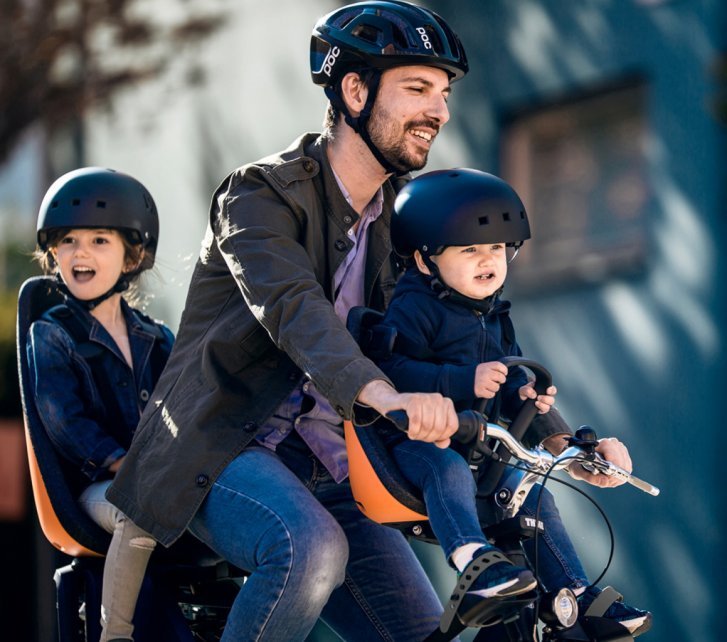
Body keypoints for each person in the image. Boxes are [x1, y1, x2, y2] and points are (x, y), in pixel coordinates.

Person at [107, 2, 471, 640]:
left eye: (443, 94)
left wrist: (548, 429)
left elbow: (447, 330)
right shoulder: (257, 195)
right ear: (354, 90)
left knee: (424, 629)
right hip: (221, 445)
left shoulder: (404, 221)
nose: (437, 111)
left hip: (331, 462)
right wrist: (380, 394)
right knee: (310, 549)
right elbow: (292, 308)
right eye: (417, 89)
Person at [373, 167, 652, 637]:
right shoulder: (413, 307)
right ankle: (474, 564)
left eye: (498, 249)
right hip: (412, 445)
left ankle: (578, 596)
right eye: (470, 250)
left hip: (479, 445)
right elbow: (392, 373)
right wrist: (465, 380)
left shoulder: (493, 313)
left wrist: (525, 395)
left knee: (532, 491)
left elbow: (506, 377)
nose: (489, 261)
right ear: (424, 261)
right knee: (448, 470)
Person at [27, 167, 174, 642]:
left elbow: (185, 405)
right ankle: (115, 635)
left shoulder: (156, 336)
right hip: (98, 488)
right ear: (53, 252)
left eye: (99, 241)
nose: (80, 252)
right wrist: (119, 461)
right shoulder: (52, 334)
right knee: (138, 510)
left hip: (157, 480)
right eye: (68, 241)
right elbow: (61, 419)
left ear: (132, 256)